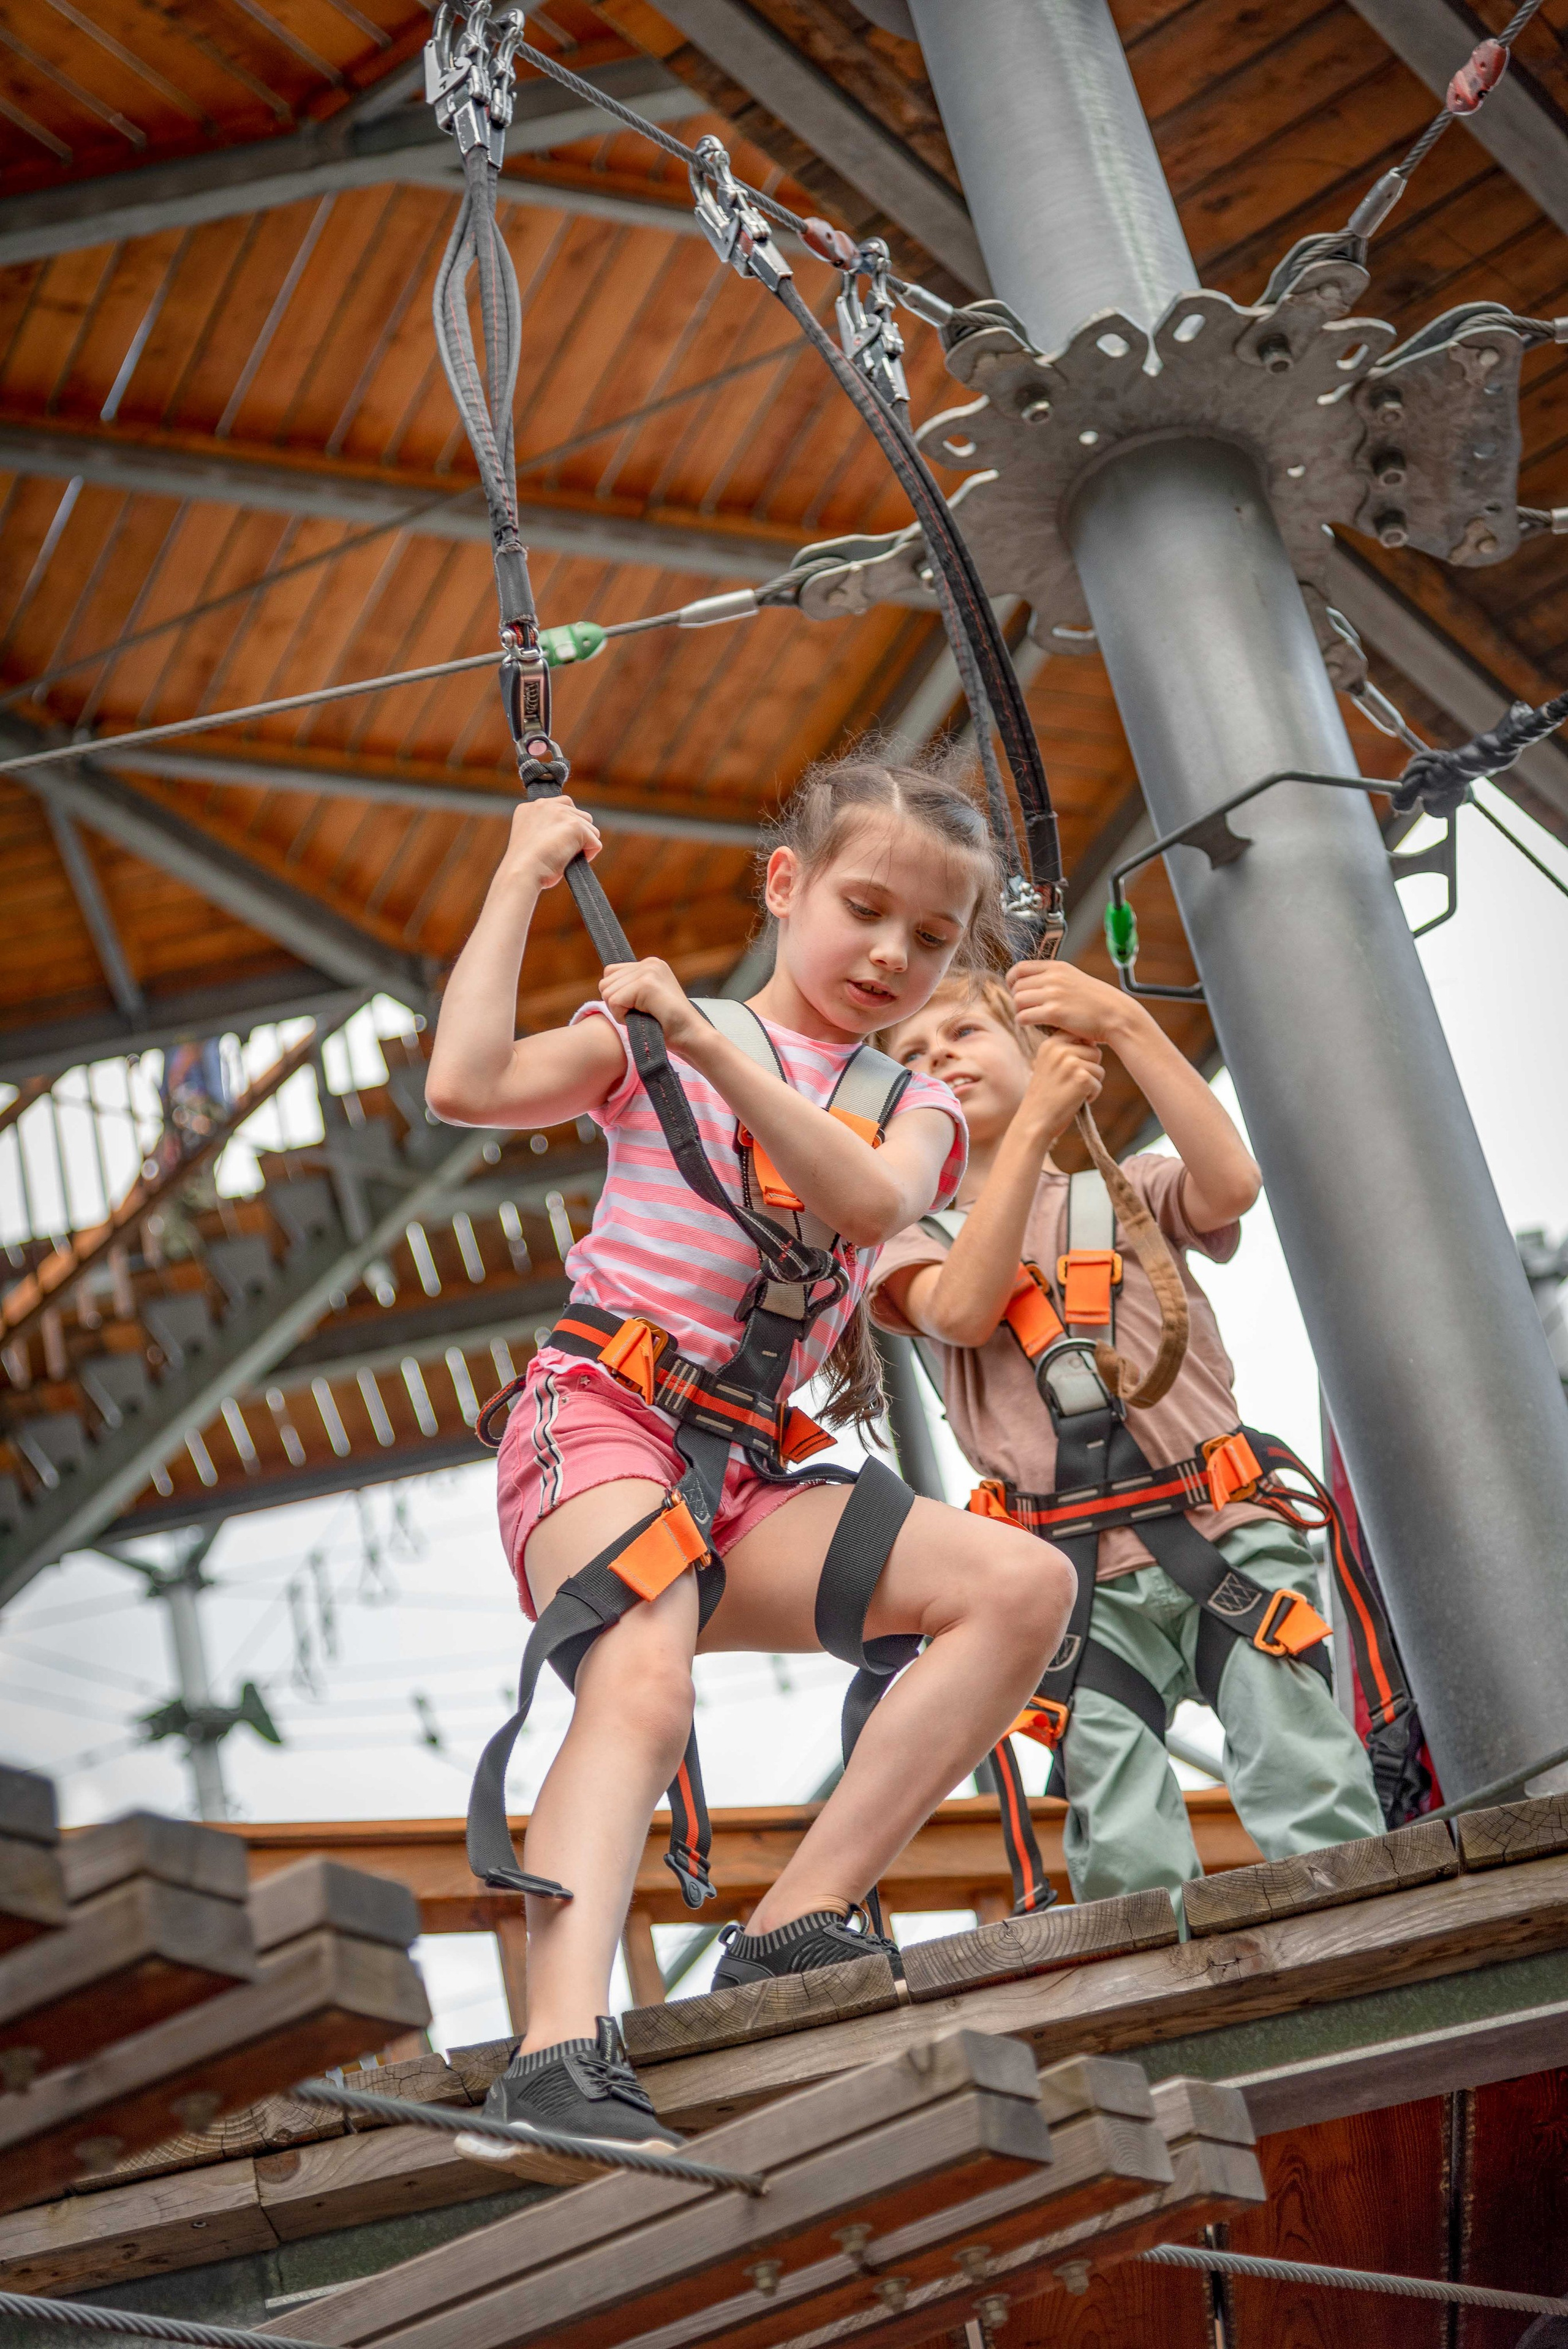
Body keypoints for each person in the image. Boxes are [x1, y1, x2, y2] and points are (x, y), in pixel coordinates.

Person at [425, 759, 1074, 2163]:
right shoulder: (656, 1037)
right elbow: (465, 1084)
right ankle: (553, 2052)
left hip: (745, 1476)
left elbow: (870, 1199)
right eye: (864, 909)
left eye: (929, 937)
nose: (892, 954)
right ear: (783, 887)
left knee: (1018, 1587)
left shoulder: (913, 1103)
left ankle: (793, 1924)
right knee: (641, 1670)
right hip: (601, 1415)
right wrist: (519, 877)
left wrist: (712, 1053)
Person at [870, 961, 1385, 1909]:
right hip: (1070, 1591)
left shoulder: (1127, 1191)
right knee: (1123, 1835)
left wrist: (1126, 1027)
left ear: (1039, 1058)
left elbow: (1229, 1187)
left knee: (1304, 1771)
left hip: (1222, 1530)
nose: (940, 1055)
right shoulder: (912, 1246)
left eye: (964, 1036)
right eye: (913, 1056)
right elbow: (969, 1310)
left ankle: (1364, 1940)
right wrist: (1032, 1127)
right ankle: (1165, 2000)